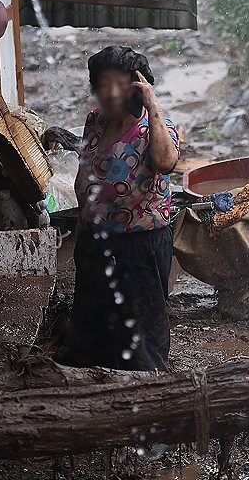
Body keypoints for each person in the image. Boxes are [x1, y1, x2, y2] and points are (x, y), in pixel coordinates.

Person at [70, 46, 180, 371]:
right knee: (94, 331)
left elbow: (165, 162)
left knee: (141, 337)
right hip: (94, 242)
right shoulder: (96, 122)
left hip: (138, 247)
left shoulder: (155, 128)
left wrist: (153, 103)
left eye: (119, 84)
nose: (110, 93)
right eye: (102, 84)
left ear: (137, 87)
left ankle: (149, 396)